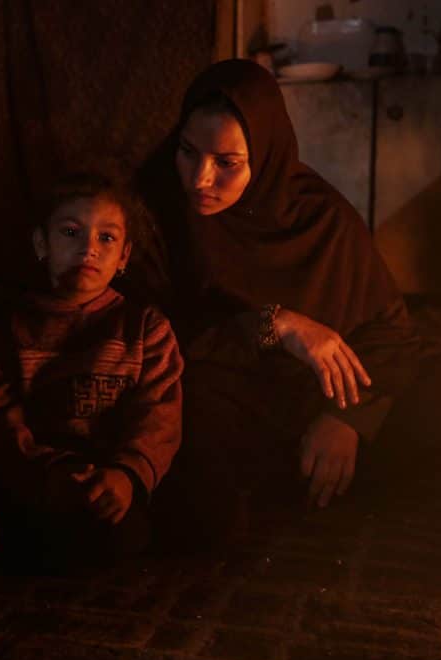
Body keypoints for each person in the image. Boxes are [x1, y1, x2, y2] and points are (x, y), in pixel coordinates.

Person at [134, 60, 418, 531]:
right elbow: (144, 330)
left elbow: (391, 333)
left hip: (307, 394)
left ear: (265, 154)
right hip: (211, 391)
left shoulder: (318, 217)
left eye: (227, 163)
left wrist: (346, 418)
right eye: (187, 151)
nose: (200, 179)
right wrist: (276, 324)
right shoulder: (158, 204)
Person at [0, 173, 184, 569]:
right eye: (70, 232)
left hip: (116, 467)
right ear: (41, 244)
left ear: (124, 256)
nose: (88, 249)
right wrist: (52, 472)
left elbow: (159, 413)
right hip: (46, 472)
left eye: (106, 238)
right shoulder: (10, 329)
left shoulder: (145, 327)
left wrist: (126, 475)